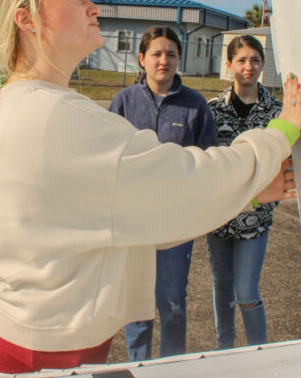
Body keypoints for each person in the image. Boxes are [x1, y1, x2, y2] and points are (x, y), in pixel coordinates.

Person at [0, 0, 301, 376]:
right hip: (49, 352)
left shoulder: (21, 101)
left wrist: (251, 192)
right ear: (26, 19)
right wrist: (279, 133)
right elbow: (184, 183)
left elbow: (146, 207)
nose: (93, 7)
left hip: (33, 340)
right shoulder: (59, 115)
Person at [109, 26, 218, 361]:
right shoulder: (124, 102)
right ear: (141, 58)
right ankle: (139, 365)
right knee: (137, 304)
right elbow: (108, 158)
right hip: (135, 223)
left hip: (175, 225)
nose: (164, 60)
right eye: (156, 53)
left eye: (171, 54)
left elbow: (210, 158)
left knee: (172, 303)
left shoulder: (195, 106)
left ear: (178, 59)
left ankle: (172, 367)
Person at [206, 35, 282, 349]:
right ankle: (225, 351)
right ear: (229, 65)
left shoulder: (275, 112)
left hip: (255, 221)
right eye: (241, 60)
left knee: (247, 293)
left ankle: (258, 354)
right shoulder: (212, 110)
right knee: (222, 288)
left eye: (254, 60)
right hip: (219, 219)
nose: (248, 67)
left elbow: (281, 166)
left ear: (263, 64)